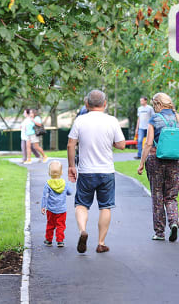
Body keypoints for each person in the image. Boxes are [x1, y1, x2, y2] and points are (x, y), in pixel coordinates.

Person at [67, 89, 125, 254]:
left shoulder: (80, 120)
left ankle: (82, 231)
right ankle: (101, 242)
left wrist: (72, 166)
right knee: (105, 207)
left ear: (87, 104)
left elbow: (71, 144)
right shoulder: (112, 121)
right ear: (105, 104)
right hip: (106, 172)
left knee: (81, 204)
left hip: (86, 171)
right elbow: (121, 145)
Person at [137, 93, 179, 242]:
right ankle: (173, 222)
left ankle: (159, 233)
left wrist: (141, 163)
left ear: (158, 104)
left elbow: (148, 143)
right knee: (171, 196)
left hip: (156, 161)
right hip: (175, 163)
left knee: (157, 196)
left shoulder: (155, 119)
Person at [42, 161, 72, 248]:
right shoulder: (64, 183)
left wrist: (43, 207)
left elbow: (44, 196)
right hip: (62, 210)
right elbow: (70, 192)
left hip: (51, 210)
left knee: (50, 225)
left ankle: (48, 240)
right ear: (62, 172)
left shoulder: (48, 184)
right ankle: (60, 241)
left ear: (49, 173)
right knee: (61, 226)